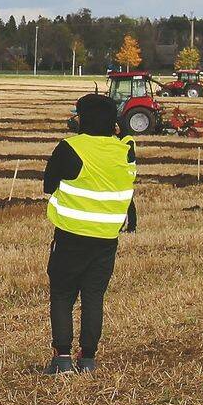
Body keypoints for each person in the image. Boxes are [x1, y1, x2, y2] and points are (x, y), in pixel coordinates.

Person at [42, 92, 138, 374]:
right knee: (93, 296)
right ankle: (88, 359)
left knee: (62, 294)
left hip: (71, 234)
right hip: (107, 237)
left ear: (84, 119)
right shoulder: (125, 150)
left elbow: (48, 185)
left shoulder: (70, 147)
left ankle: (62, 358)